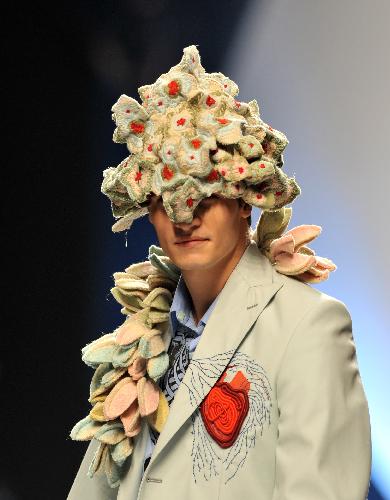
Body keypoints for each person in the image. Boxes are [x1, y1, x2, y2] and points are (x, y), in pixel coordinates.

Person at [68, 45, 371, 499]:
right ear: (146, 206)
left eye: (205, 192)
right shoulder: (142, 341)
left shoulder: (308, 327)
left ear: (246, 196)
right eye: (166, 196)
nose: (184, 216)